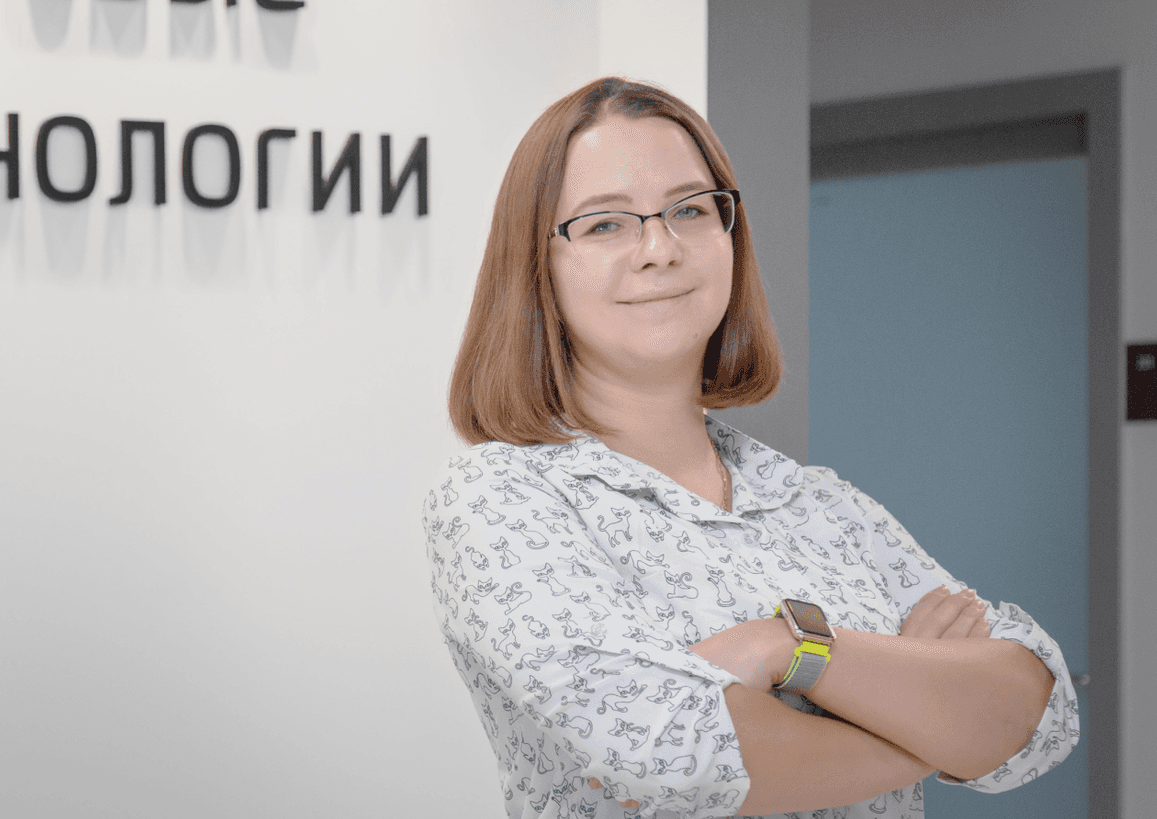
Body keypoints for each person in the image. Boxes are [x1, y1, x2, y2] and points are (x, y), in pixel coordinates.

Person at [423, 77, 1079, 819]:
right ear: (535, 265)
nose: (659, 249)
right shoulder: (499, 498)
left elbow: (1042, 716)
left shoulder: (819, 502)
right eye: (605, 224)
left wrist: (789, 648)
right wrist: (940, 726)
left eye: (690, 210)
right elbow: (672, 760)